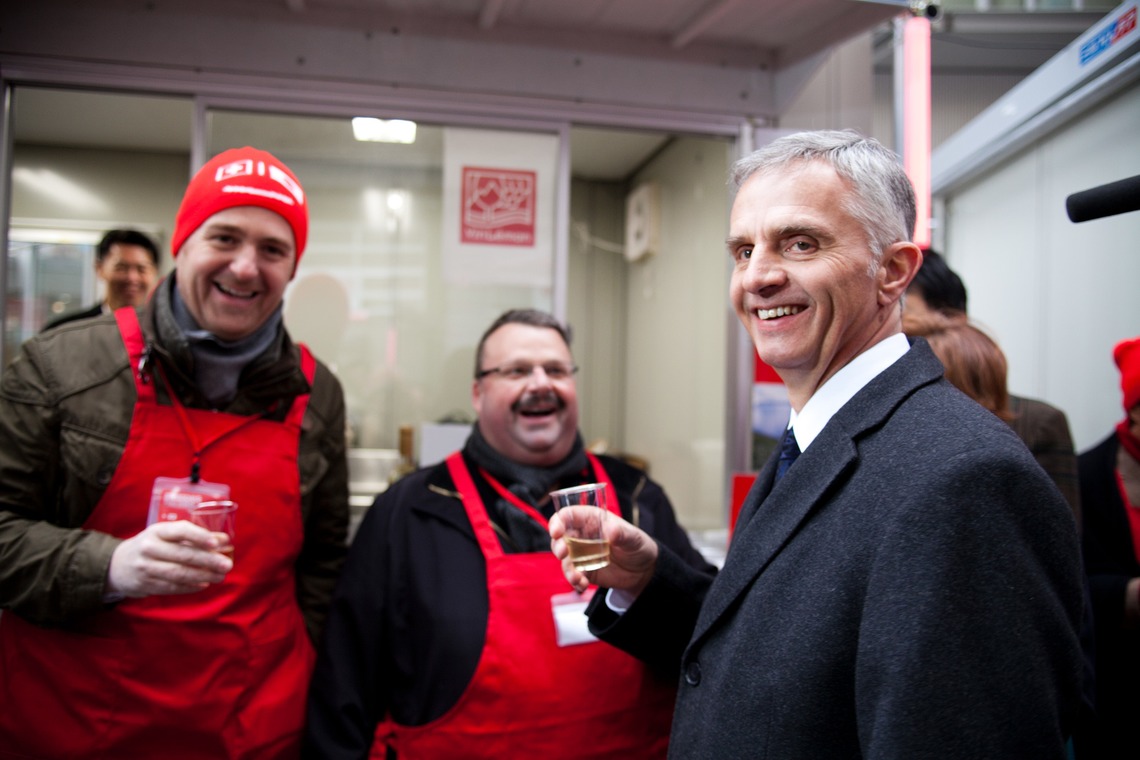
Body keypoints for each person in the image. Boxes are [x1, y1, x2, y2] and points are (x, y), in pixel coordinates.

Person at [550, 130, 1084, 758]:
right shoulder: (817, 439)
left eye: (800, 244)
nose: (758, 277)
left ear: (892, 271)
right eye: (743, 250)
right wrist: (650, 583)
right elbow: (774, 663)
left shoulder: (962, 479)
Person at [0, 147, 349, 758]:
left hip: (250, 731)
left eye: (273, 249)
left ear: (292, 269)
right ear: (184, 244)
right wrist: (109, 567)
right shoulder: (61, 366)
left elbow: (320, 564)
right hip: (73, 725)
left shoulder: (316, 394)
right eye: (224, 237)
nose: (245, 267)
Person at [304, 308, 716, 759]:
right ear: (478, 394)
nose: (541, 383)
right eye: (517, 370)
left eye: (556, 370)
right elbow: (344, 689)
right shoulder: (410, 512)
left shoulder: (637, 497)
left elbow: (712, 642)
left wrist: (651, 579)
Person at [902, 248, 1082, 520]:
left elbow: (1058, 538)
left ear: (952, 319)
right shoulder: (887, 418)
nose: (892, 328)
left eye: (903, 311)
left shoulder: (1038, 424)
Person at [1079, 336, 1140, 759]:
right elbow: (1072, 582)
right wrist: (1129, 595)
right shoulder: (1089, 474)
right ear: (1133, 410)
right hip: (1117, 682)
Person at [43, 227, 161, 330]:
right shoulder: (64, 331)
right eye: (121, 267)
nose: (132, 277)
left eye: (142, 269)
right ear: (99, 268)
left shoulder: (163, 334)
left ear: (155, 273)